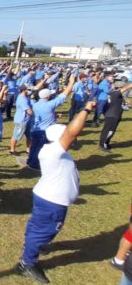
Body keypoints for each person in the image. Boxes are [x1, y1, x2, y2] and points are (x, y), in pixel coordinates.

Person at [17, 101, 96, 284]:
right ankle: (27, 262)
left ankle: (30, 246)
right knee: (45, 231)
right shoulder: (54, 152)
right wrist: (85, 110)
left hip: (48, 196)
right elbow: (71, 132)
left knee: (37, 227)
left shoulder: (54, 151)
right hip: (51, 201)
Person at [26, 74, 74, 170]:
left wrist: (54, 115)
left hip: (35, 129)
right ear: (47, 97)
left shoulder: (35, 104)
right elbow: (64, 95)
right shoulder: (50, 105)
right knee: (40, 148)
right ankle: (35, 165)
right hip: (45, 131)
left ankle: (30, 161)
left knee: (34, 147)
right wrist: (71, 82)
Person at [99, 81, 132, 152]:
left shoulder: (114, 93)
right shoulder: (116, 93)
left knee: (111, 131)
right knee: (108, 131)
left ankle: (106, 143)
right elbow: (126, 88)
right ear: (120, 87)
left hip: (114, 114)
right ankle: (102, 145)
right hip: (112, 115)